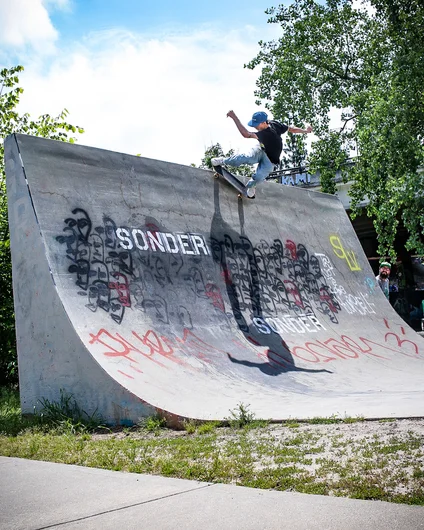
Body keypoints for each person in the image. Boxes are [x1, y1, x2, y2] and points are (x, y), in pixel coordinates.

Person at [211, 110, 313, 198]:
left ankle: (251, 186)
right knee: (246, 158)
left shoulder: (275, 125)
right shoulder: (261, 132)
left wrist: (306, 131)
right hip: (260, 150)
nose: (255, 127)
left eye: (256, 125)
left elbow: (291, 129)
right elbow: (246, 134)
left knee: (259, 176)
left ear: (264, 122)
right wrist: (234, 117)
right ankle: (222, 160)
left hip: (270, 161)